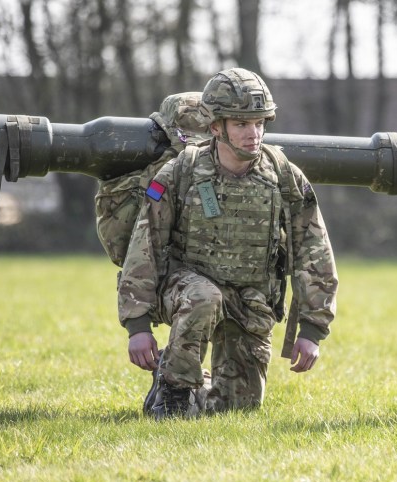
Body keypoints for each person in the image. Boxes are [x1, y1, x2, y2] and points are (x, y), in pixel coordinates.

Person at [118, 68, 338, 418]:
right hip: (186, 290)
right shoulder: (181, 173)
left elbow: (314, 251)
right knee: (205, 296)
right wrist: (138, 325)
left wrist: (312, 328)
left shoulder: (283, 176)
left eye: (259, 123)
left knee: (237, 408)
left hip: (249, 301)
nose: (254, 134)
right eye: (241, 124)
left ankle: (195, 384)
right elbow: (145, 247)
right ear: (216, 126)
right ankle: (173, 393)